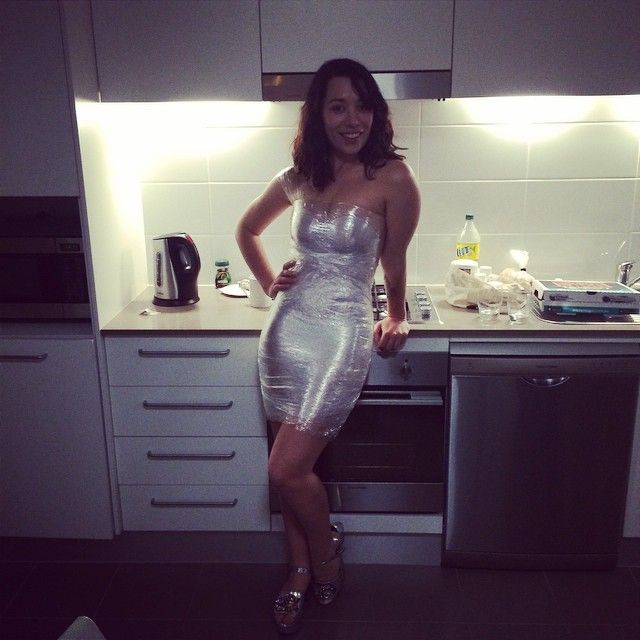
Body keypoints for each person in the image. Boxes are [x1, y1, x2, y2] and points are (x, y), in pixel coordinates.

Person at [235, 57, 420, 635]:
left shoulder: (394, 179)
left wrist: (395, 315)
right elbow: (247, 229)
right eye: (337, 106)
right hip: (286, 331)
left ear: (376, 113)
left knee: (285, 469)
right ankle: (299, 569)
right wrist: (270, 281)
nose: (352, 119)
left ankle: (326, 551)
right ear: (318, 113)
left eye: (362, 106)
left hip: (341, 334)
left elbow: (394, 264)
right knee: (291, 470)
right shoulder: (299, 174)